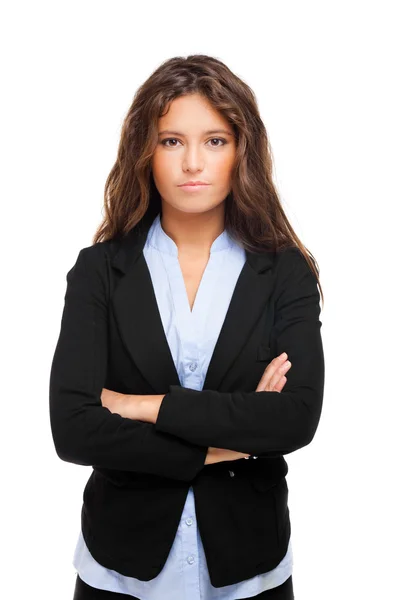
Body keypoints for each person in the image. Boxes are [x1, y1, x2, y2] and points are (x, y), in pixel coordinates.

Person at [49, 54, 325, 600]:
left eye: (215, 141)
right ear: (144, 153)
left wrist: (141, 405)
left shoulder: (283, 270)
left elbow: (294, 418)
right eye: (171, 141)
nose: (192, 162)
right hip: (121, 567)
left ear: (242, 151)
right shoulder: (100, 270)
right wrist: (219, 446)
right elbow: (72, 428)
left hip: (250, 568)